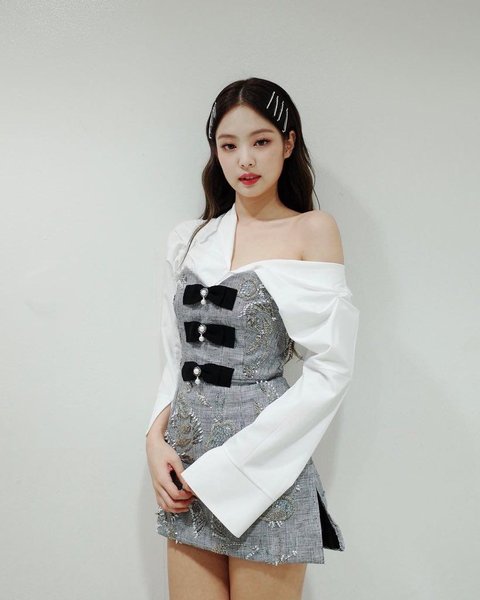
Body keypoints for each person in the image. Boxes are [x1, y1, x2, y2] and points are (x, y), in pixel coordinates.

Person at [145, 77, 360, 600]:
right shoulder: (190, 238)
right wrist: (154, 439)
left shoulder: (313, 230)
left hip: (266, 464)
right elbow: (174, 354)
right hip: (186, 461)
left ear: (288, 143)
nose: (245, 159)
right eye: (228, 144)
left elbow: (331, 369)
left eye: (261, 141)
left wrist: (233, 466)